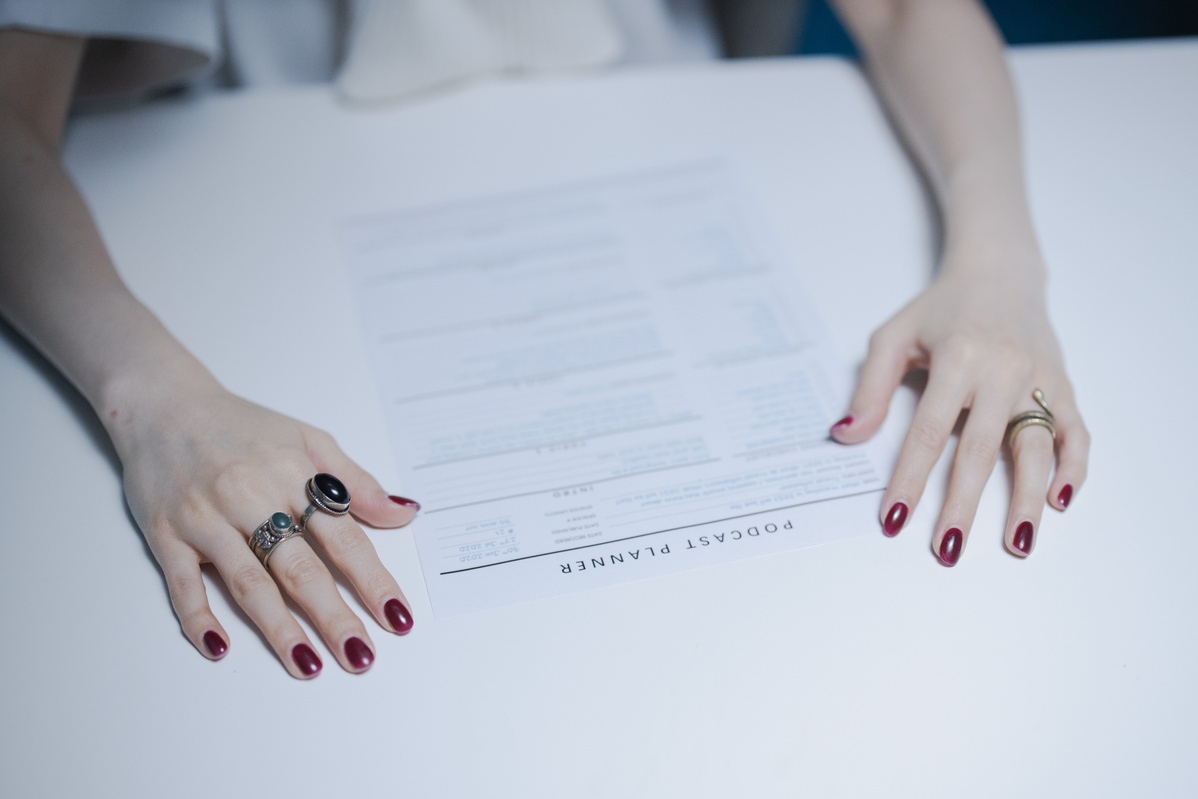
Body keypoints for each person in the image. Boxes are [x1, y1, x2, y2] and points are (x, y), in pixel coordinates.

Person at [0, 0, 1089, 678]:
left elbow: (904, 7)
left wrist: (999, 268)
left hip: (688, 180)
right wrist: (154, 400)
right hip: (287, 219)